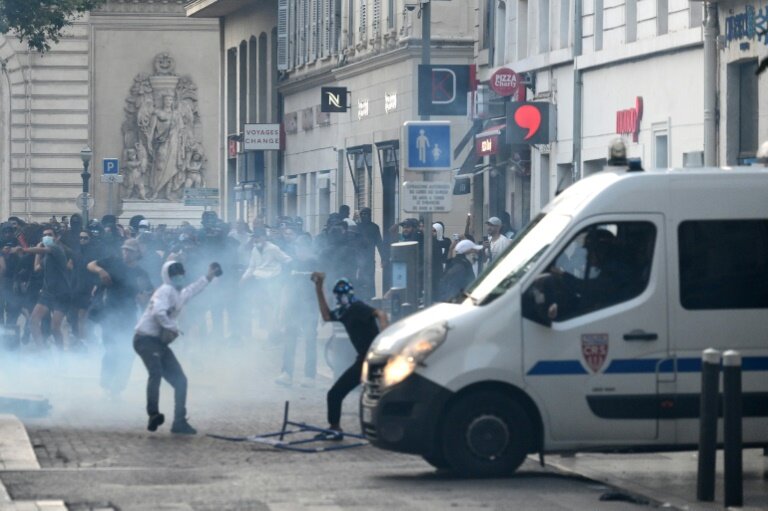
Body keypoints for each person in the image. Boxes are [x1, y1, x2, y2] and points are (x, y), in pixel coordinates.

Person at [133, 260, 222, 434]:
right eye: (175, 274)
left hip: (158, 342)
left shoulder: (179, 293)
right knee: (156, 372)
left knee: (180, 381)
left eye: (181, 273)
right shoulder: (165, 291)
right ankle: (153, 414)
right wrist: (173, 328)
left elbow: (193, 289)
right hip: (145, 339)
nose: (179, 277)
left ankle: (179, 422)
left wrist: (209, 276)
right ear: (168, 276)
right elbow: (158, 312)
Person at [310, 273, 388, 440]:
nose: (341, 298)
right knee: (337, 394)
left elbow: (380, 314)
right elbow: (326, 316)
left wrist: (386, 336)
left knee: (374, 395)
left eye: (343, 294)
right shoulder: (343, 312)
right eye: (339, 295)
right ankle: (335, 428)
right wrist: (318, 287)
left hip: (372, 360)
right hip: (363, 360)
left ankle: (379, 429)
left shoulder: (357, 307)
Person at [88, 239, 153, 398]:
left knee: (128, 352)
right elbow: (90, 265)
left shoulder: (140, 273)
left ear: (137, 254)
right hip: (109, 314)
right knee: (111, 350)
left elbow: (150, 291)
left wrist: (145, 297)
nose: (126, 253)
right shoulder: (113, 262)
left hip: (128, 315)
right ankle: (106, 384)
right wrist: (100, 271)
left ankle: (118, 388)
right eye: (124, 249)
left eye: (130, 250)